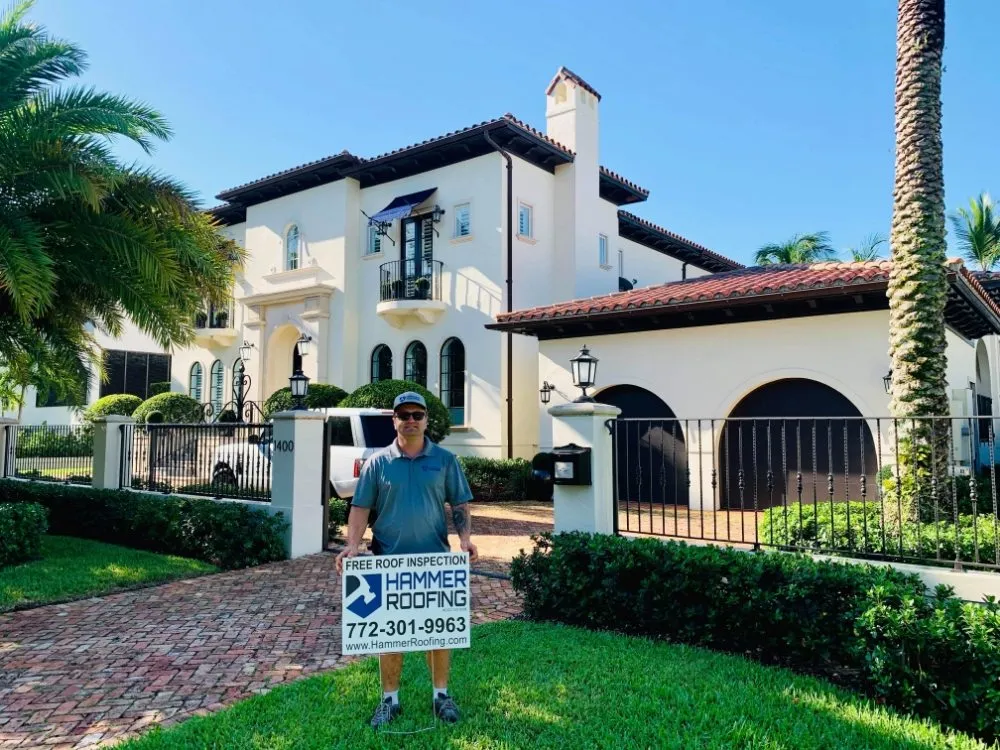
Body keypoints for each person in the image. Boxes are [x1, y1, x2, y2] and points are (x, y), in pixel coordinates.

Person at [336, 391, 478, 729]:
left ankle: (441, 695)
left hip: (435, 563)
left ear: (427, 419)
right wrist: (352, 545)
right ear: (394, 420)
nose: (411, 420)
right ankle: (390, 700)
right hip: (388, 561)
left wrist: (466, 540)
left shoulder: (444, 460)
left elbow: (459, 504)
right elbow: (360, 508)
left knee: (438, 632)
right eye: (404, 415)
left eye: (417, 414)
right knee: (390, 633)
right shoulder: (377, 463)